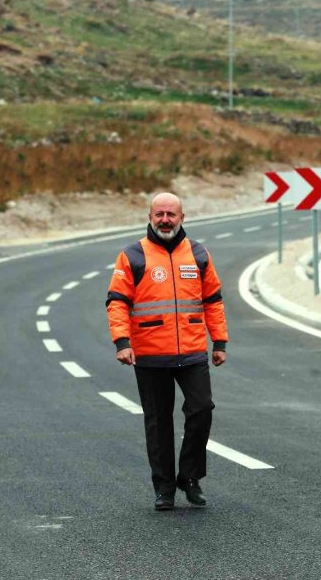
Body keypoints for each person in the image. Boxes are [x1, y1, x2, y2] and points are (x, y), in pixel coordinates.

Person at [106, 193, 228, 511]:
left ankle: (189, 477)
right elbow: (117, 302)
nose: (165, 220)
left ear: (182, 217)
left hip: (192, 352)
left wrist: (219, 342)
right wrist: (122, 343)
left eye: (171, 214)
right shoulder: (132, 255)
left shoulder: (198, 254)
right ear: (149, 217)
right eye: (159, 214)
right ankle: (164, 489)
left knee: (202, 409)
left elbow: (213, 300)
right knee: (159, 423)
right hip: (150, 354)